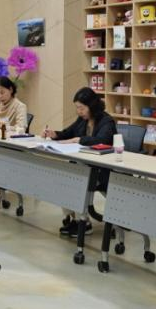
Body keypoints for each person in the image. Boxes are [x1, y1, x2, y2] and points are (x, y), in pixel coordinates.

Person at [43, 87, 117, 237]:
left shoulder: (107, 121)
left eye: (82, 108)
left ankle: (84, 223)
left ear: (92, 106)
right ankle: (75, 219)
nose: (79, 111)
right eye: (77, 108)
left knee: (74, 181)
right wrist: (54, 134)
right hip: (84, 166)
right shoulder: (83, 120)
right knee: (63, 179)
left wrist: (78, 139)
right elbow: (67, 133)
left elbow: (101, 140)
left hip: (102, 170)